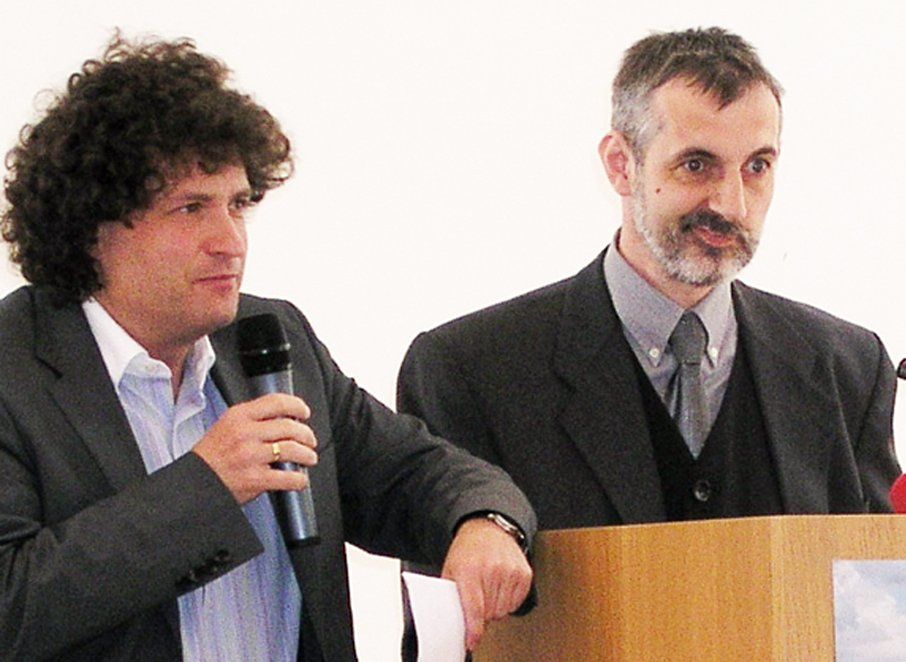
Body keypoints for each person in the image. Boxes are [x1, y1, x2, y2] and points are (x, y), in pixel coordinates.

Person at [0, 35, 535, 661]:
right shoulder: (15, 369)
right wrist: (204, 489)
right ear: (93, 227)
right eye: (191, 209)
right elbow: (11, 605)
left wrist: (483, 522)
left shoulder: (271, 339)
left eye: (237, 205)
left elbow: (412, 473)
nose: (229, 241)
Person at [397, 27, 900, 533]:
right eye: (696, 165)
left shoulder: (848, 370)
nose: (733, 205)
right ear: (621, 165)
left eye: (757, 166)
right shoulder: (470, 373)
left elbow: (880, 577)